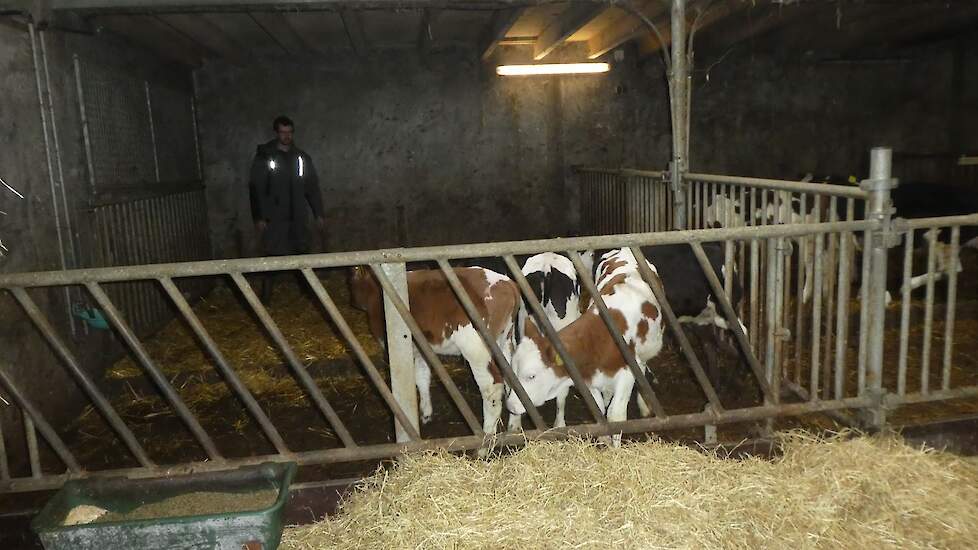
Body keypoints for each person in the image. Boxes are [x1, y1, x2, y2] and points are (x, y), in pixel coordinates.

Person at [249, 115, 325, 302]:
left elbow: (312, 187)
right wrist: (258, 216)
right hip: (275, 215)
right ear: (277, 133)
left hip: (298, 214)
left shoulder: (301, 158)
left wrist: (318, 213)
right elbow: (256, 187)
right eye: (283, 132)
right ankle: (266, 298)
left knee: (302, 253)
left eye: (289, 132)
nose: (286, 136)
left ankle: (308, 296)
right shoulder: (266, 157)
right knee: (272, 255)